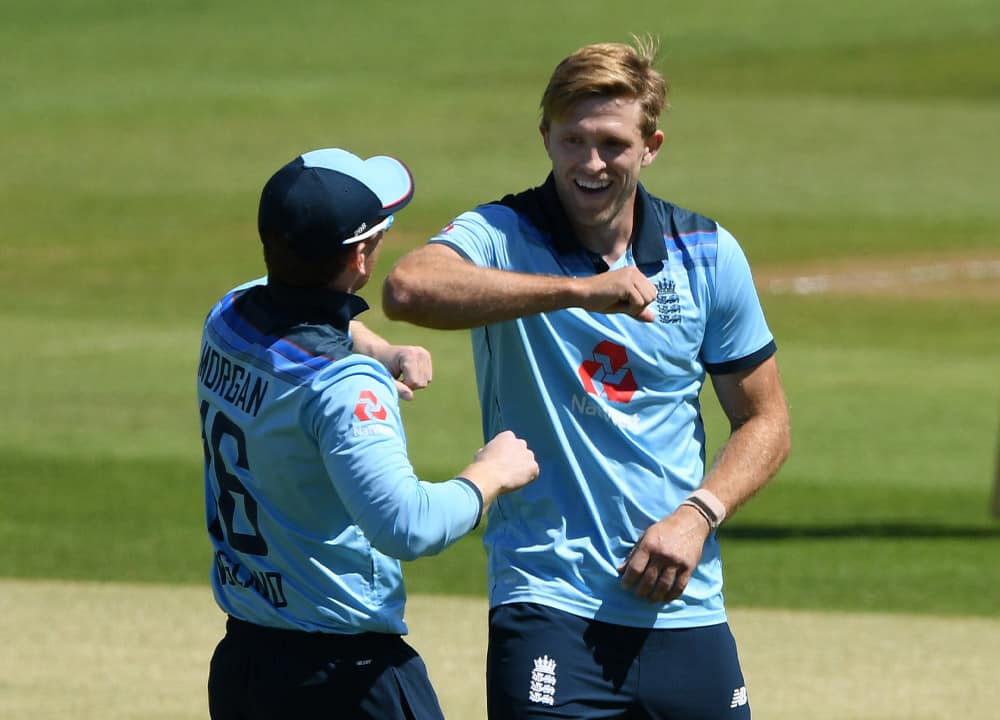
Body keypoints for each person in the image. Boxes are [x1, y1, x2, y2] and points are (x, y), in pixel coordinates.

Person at [382, 37, 791, 719]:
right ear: (545, 137)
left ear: (651, 146)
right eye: (573, 140)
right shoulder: (503, 233)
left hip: (683, 603)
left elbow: (766, 420)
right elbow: (408, 288)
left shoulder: (708, 253)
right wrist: (576, 292)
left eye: (613, 144)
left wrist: (698, 515)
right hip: (549, 603)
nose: (591, 164)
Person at [198, 147, 540, 720]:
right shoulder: (343, 386)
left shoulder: (228, 317)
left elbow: (300, 304)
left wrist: (383, 349)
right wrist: (490, 474)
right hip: (345, 680)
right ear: (360, 257)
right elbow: (407, 525)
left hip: (244, 666)